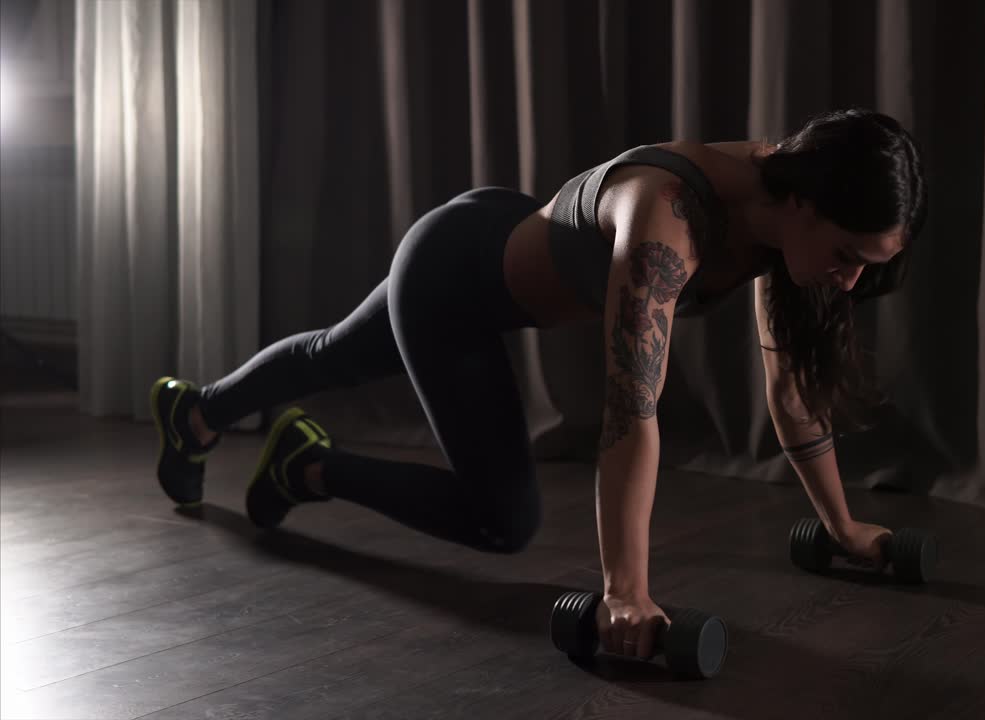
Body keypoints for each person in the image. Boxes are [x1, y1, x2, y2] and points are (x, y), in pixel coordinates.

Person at [148, 107, 927, 663]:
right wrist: (626, 591)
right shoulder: (668, 214)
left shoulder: (775, 221)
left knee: (332, 354)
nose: (850, 280)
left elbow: (792, 396)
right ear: (803, 200)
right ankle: (306, 466)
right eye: (849, 253)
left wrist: (844, 528)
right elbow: (632, 410)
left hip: (488, 243)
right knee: (502, 520)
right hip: (451, 277)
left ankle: (196, 414)